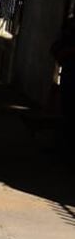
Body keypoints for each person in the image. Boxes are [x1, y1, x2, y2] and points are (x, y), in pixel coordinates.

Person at [53, 16, 75, 144]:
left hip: (69, 72)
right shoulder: (70, 26)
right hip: (70, 72)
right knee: (67, 110)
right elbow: (57, 48)